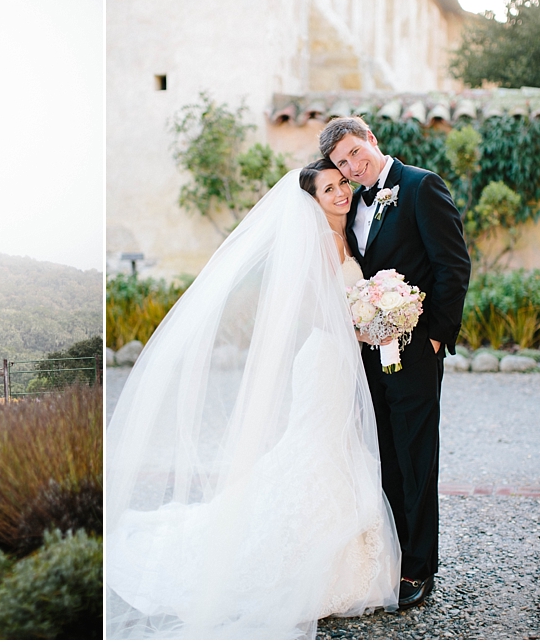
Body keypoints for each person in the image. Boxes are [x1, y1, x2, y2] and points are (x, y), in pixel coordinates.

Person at [106, 162, 401, 639]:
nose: (341, 192)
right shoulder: (321, 244)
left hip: (340, 362)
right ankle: (298, 562)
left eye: (341, 183)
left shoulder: (348, 238)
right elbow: (317, 310)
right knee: (317, 449)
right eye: (329, 188)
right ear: (313, 200)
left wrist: (374, 318)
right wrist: (369, 323)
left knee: (332, 446)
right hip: (325, 360)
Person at [320, 117, 471, 610]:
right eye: (341, 163)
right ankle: (392, 556)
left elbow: (453, 265)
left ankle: (419, 570)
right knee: (384, 455)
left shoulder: (421, 185)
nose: (352, 166)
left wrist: (434, 339)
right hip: (370, 354)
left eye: (354, 153)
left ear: (371, 139)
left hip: (415, 351)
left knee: (416, 458)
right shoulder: (352, 203)